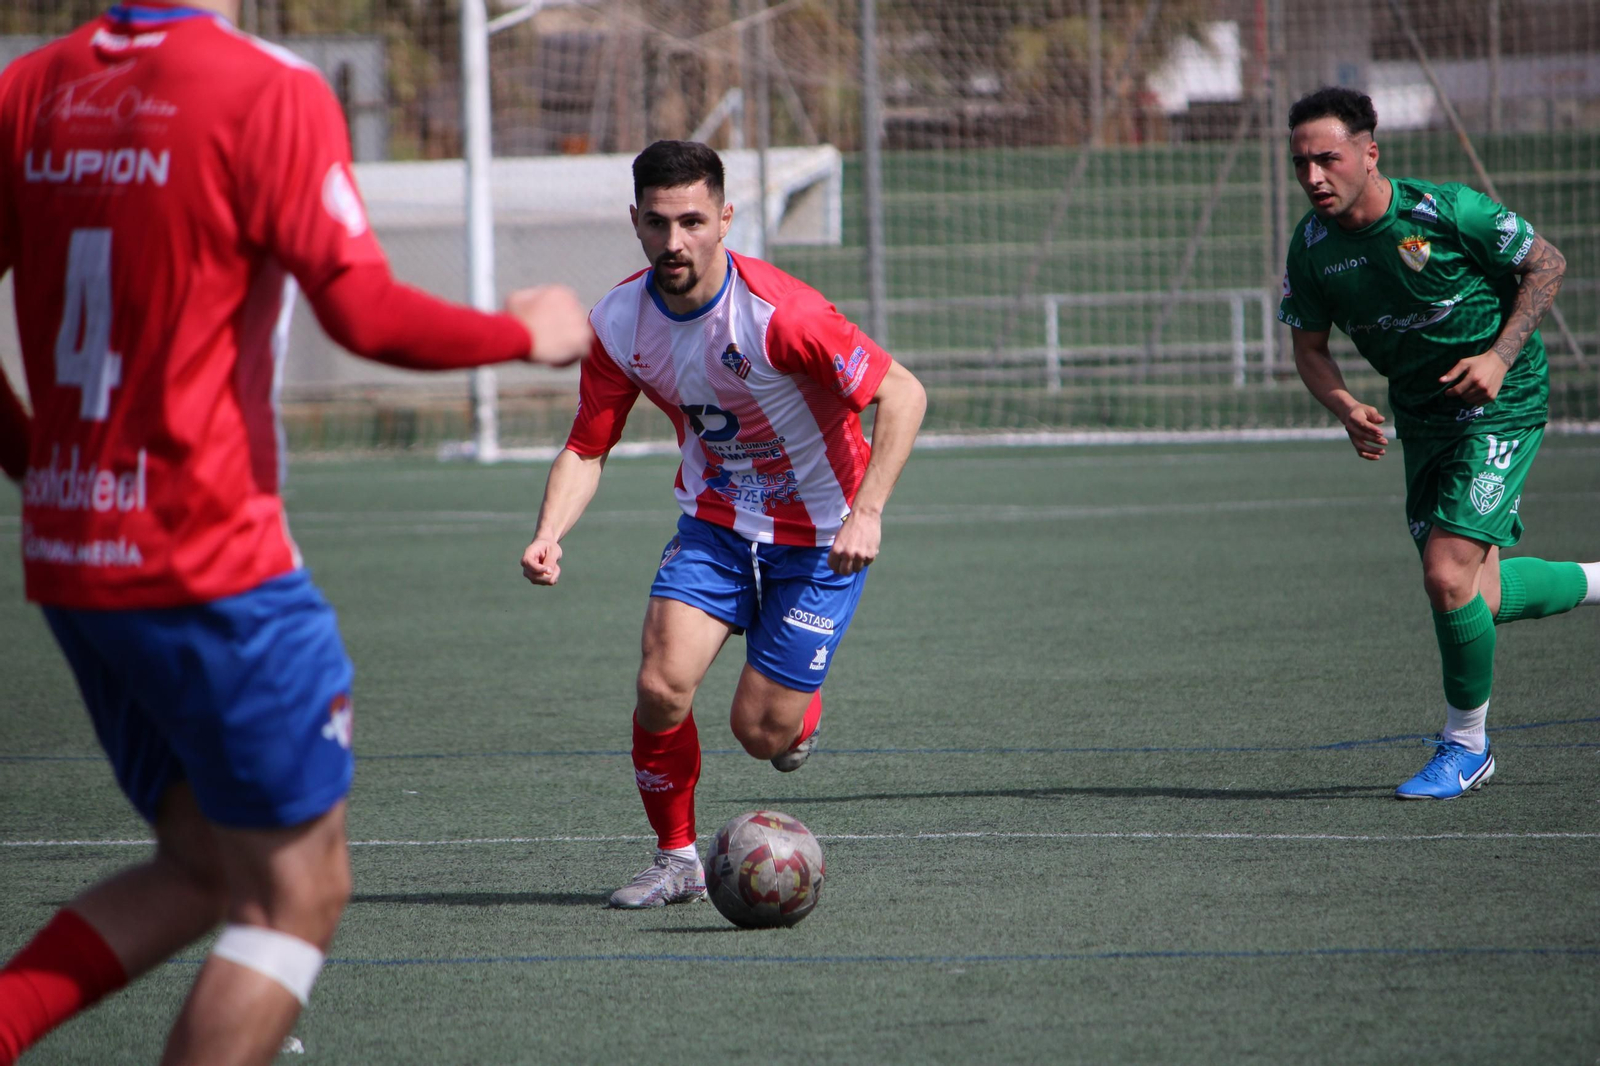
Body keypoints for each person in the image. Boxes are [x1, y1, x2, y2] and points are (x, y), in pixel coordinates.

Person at [0, 2, 591, 1062]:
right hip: (210, 565)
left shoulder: (30, 90)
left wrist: (37, 462)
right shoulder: (266, 91)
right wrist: (524, 333)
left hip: (72, 561)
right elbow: (361, 313)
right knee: (297, 891)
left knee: (198, 862)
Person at [521, 140, 926, 907]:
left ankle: (795, 716)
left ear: (726, 219)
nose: (675, 242)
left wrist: (867, 513)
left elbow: (902, 393)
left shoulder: (783, 314)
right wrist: (550, 532)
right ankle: (677, 860)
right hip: (716, 522)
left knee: (761, 734)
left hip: (822, 538)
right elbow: (587, 445)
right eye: (657, 223)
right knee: (660, 686)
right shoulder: (616, 321)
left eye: (693, 222)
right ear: (634, 222)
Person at [1278, 86, 1598, 801]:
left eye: (1327, 159)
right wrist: (1344, 406)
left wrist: (1499, 358)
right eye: (1299, 164)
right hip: (1421, 419)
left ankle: (1466, 747)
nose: (1313, 177)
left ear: (1370, 151)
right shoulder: (1312, 247)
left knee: (1446, 574)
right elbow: (1310, 347)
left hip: (1502, 404)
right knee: (1475, 595)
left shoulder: (1448, 212)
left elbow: (1546, 263)